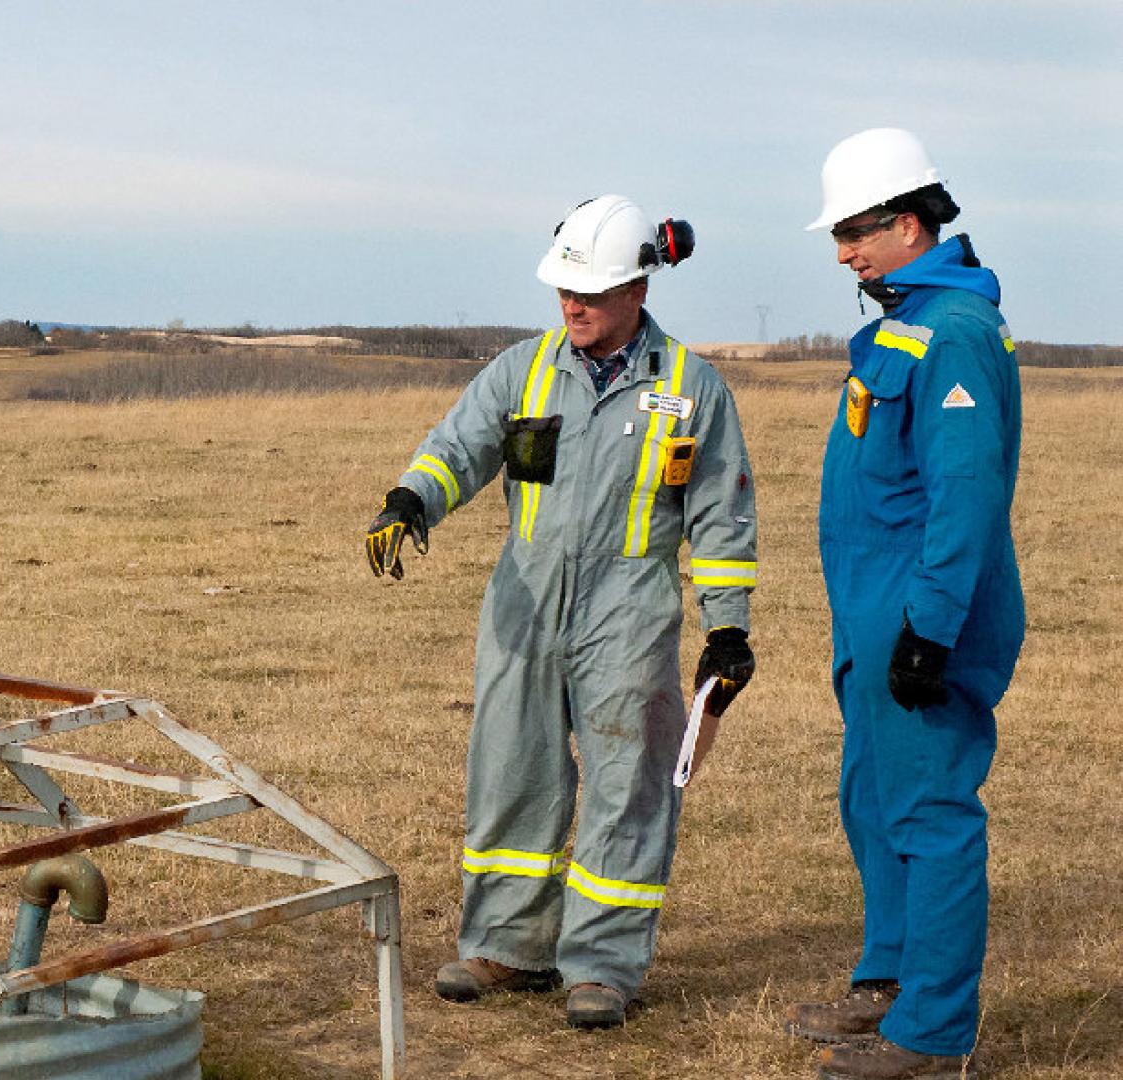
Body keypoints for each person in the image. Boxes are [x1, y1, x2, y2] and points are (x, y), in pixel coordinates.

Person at [365, 195, 758, 1029]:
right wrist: (411, 501)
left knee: (628, 785)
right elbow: (458, 447)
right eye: (563, 292)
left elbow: (723, 515)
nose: (571, 306)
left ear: (637, 291)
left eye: (591, 292)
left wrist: (727, 628)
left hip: (630, 610)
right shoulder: (523, 369)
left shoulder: (693, 389)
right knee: (511, 769)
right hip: (524, 605)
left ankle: (603, 967)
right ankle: (507, 947)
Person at [787, 128, 1024, 1080]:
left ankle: (932, 1034)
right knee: (874, 800)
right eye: (839, 234)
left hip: (925, 617)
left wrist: (927, 630)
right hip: (873, 613)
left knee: (929, 810)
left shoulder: (956, 332)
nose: (843, 252)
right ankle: (887, 980)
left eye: (856, 232)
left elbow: (963, 499)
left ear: (912, 222)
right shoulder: (900, 322)